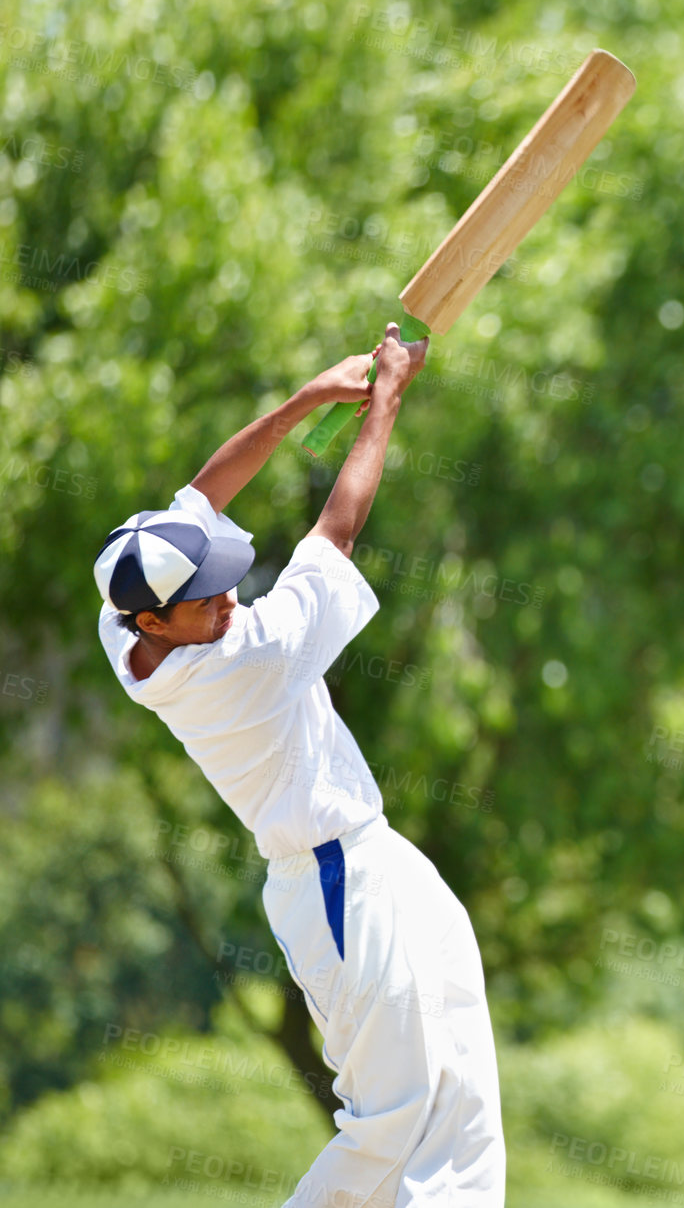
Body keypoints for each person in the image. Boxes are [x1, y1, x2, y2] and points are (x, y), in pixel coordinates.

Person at [93, 322, 505, 1208]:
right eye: (208, 599)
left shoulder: (124, 611)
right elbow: (338, 533)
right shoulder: (249, 660)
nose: (231, 596)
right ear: (158, 624)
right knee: (389, 1118)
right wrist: (386, 399)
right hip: (331, 878)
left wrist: (306, 402)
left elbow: (202, 493)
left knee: (460, 1059)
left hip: (369, 851)